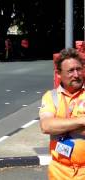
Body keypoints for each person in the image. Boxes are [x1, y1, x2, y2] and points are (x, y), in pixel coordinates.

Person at [39, 48, 85, 179]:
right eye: (70, 71)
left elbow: (53, 126)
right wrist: (81, 121)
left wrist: (60, 125)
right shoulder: (51, 97)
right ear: (58, 74)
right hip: (59, 172)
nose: (76, 74)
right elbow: (46, 126)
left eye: (79, 69)